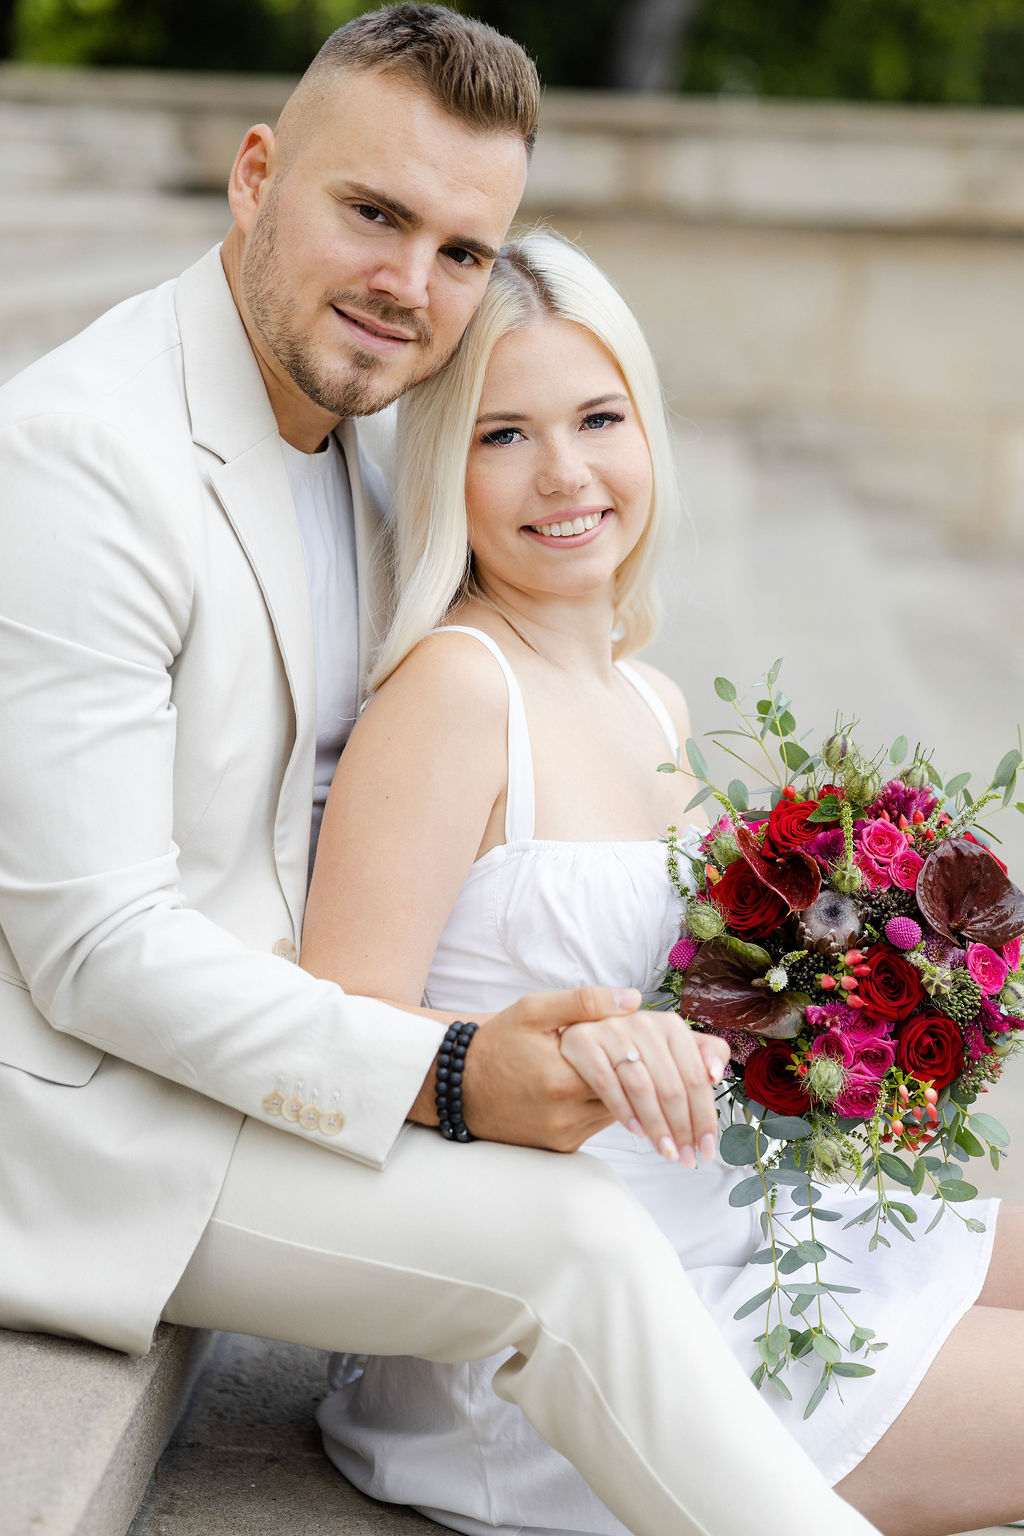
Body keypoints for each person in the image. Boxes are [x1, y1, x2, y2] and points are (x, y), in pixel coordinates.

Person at [0, 6, 889, 1534]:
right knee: (575, 1247)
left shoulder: (354, 442)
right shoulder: (76, 458)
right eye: (373, 213)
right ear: (256, 175)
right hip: (106, 1123)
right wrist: (454, 1071)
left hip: (267, 1059)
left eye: (462, 249)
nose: (412, 286)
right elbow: (93, 950)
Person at [303, 229, 1024, 1536]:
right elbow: (326, 1037)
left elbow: (709, 1000)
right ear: (443, 467)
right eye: (503, 435)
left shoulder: (652, 699)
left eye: (598, 417)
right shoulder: (457, 694)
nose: (565, 473)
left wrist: (859, 1007)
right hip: (580, 1339)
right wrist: (558, 1048)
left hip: (749, 1237)